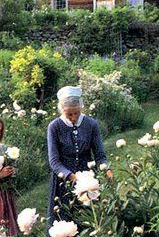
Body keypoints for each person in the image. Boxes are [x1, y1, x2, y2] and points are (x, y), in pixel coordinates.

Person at [47, 86, 112, 228]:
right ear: (61, 110)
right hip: (63, 180)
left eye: (76, 113)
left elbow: (100, 155)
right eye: (69, 114)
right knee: (63, 219)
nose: (73, 117)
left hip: (87, 176)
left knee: (89, 218)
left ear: (81, 107)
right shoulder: (54, 127)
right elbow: (53, 161)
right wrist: (70, 176)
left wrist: (106, 169)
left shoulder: (91, 124)